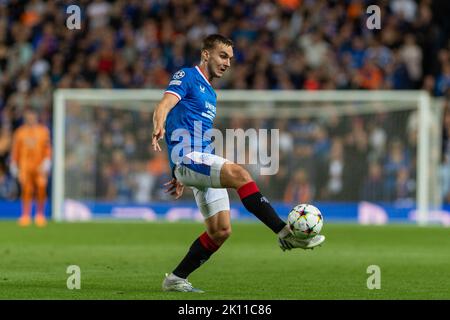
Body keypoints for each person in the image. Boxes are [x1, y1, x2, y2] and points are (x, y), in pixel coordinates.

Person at [152, 34, 325, 293]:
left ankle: (175, 279)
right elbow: (165, 105)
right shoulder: (187, 76)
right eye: (223, 56)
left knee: (221, 231)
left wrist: (179, 177)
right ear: (206, 54)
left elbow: (189, 127)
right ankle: (284, 232)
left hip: (196, 162)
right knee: (241, 174)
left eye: (231, 58)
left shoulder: (211, 94)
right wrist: (158, 126)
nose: (228, 63)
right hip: (187, 159)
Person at [10, 108, 52, 227]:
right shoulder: (20, 132)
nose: (30, 118)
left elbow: (47, 148)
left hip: (39, 167)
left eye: (32, 116)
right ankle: (25, 215)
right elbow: (16, 150)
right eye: (28, 116)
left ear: (36, 117)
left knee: (41, 188)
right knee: (26, 190)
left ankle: (40, 215)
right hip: (25, 166)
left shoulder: (43, 131)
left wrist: (47, 161)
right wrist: (14, 163)